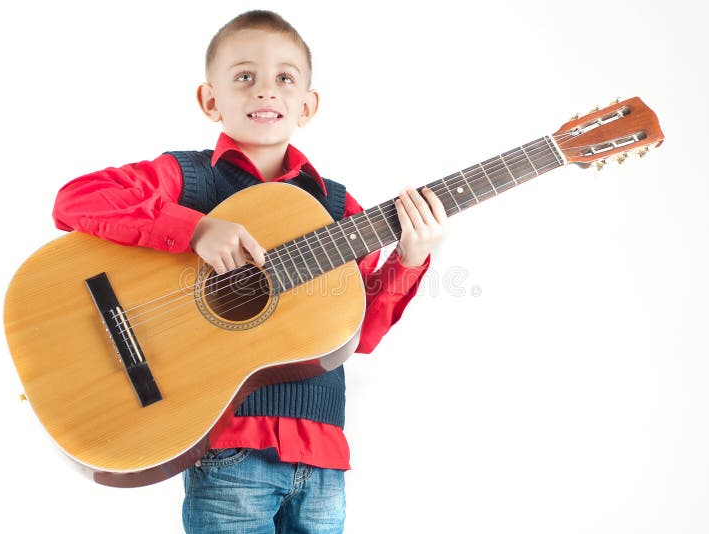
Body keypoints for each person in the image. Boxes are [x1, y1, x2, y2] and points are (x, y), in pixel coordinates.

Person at [52, 10, 447, 534]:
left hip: (325, 455)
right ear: (210, 100)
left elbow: (360, 334)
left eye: (285, 78)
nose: (266, 92)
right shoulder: (185, 177)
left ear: (307, 105)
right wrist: (192, 229)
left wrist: (410, 259)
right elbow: (75, 200)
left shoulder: (339, 208)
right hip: (228, 452)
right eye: (245, 77)